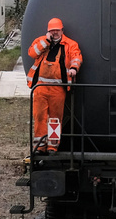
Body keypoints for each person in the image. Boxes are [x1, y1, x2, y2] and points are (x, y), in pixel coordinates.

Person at [27, 17, 83, 149]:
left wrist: (74, 68)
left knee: (55, 118)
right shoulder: (41, 41)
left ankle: (53, 146)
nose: (55, 33)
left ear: (62, 30)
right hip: (40, 87)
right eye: (52, 31)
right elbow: (32, 53)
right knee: (39, 117)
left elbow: (76, 57)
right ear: (48, 32)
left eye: (57, 30)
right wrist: (46, 41)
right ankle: (40, 146)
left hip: (58, 89)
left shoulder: (70, 44)